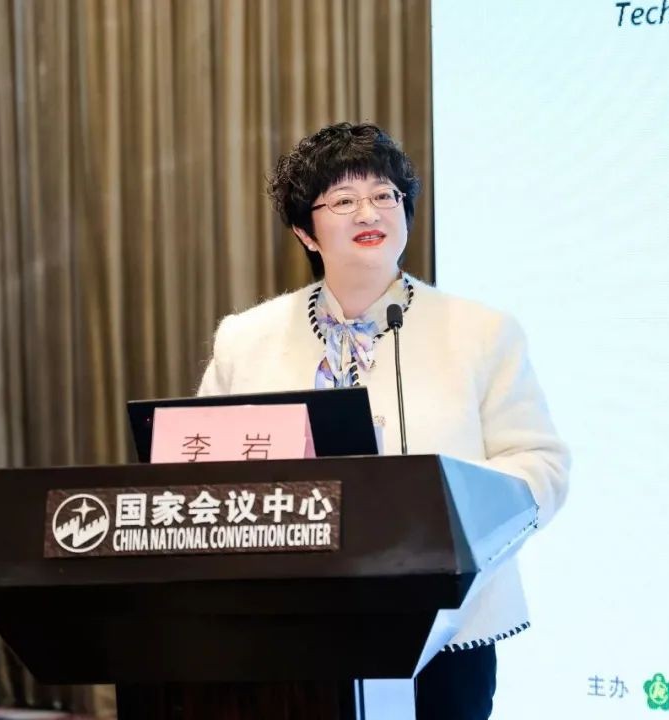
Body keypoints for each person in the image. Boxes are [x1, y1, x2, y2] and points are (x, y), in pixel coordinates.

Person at [197, 122, 569, 720]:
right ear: (305, 231)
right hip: (290, 627)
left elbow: (540, 467)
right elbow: (200, 475)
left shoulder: (481, 332)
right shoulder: (247, 339)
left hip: (448, 626)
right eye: (343, 200)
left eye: (383, 195)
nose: (369, 212)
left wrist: (452, 519)